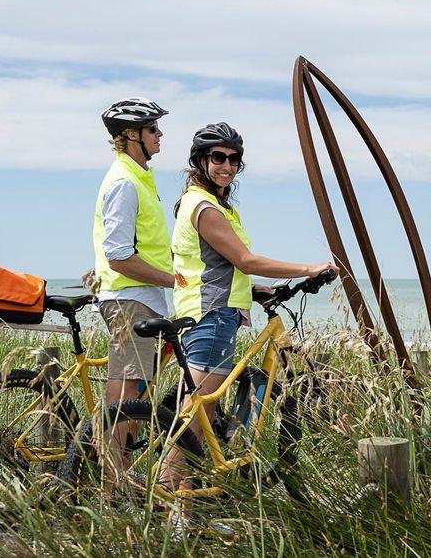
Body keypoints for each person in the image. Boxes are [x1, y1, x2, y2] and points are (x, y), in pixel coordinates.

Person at [169, 122, 338, 450]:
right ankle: (170, 497)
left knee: (196, 415)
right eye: (218, 157)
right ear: (201, 161)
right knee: (194, 422)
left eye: (234, 160)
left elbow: (217, 266)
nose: (227, 166)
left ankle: (182, 496)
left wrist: (253, 289)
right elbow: (245, 259)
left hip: (209, 311)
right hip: (213, 316)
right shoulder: (205, 208)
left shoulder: (212, 205)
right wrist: (308, 267)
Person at [92, 97, 175, 417]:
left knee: (135, 387)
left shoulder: (139, 178)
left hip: (141, 297)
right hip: (128, 297)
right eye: (152, 128)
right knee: (129, 389)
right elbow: (119, 257)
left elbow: (149, 245)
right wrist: (176, 281)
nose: (160, 134)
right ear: (130, 135)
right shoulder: (125, 183)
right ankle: (114, 468)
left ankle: (116, 463)